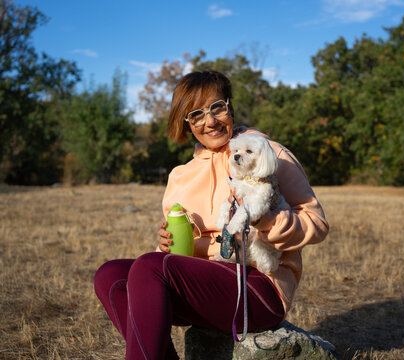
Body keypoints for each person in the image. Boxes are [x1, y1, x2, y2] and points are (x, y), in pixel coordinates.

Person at [94, 70, 329, 359]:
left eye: (217, 107)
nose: (211, 121)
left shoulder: (267, 152)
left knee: (150, 266)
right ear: (186, 123)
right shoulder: (181, 176)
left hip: (258, 286)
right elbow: (170, 259)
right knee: (111, 275)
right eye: (196, 114)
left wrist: (266, 221)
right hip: (205, 287)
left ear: (230, 106)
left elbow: (316, 225)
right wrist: (164, 245)